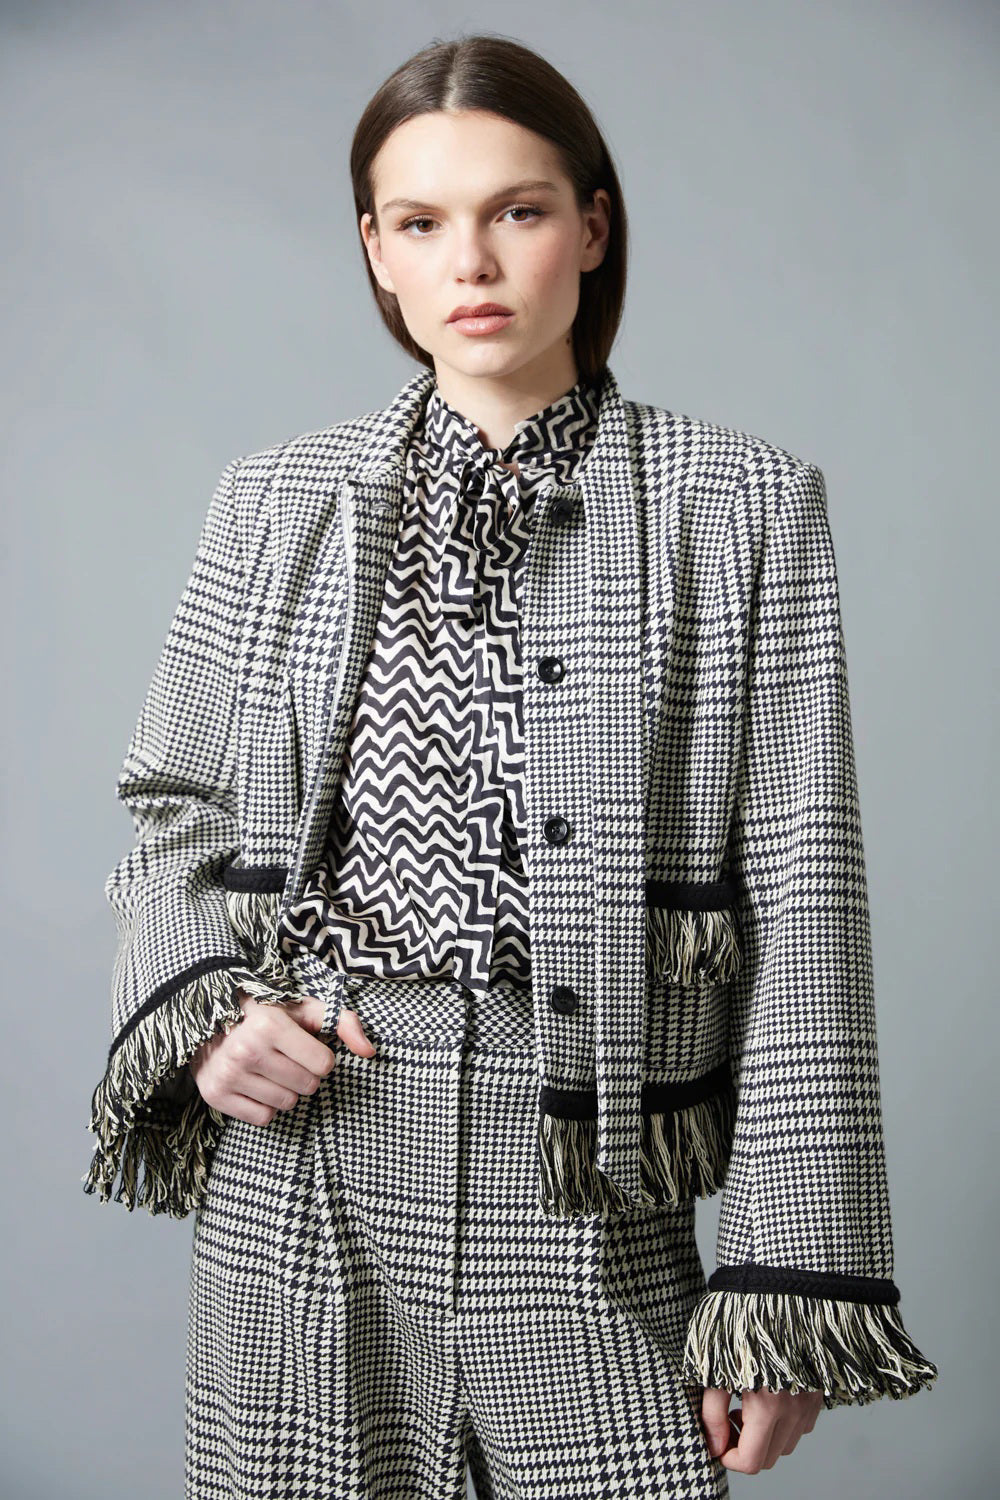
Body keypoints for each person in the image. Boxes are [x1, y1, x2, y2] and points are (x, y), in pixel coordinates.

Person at [82, 32, 938, 1500]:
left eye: (518, 210)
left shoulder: (740, 506)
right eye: (421, 222)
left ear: (593, 227)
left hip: (596, 1166)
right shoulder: (271, 500)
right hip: (312, 1151)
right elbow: (176, 802)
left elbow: (807, 890)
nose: (470, 260)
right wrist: (208, 1019)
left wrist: (792, 1283)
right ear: (377, 248)